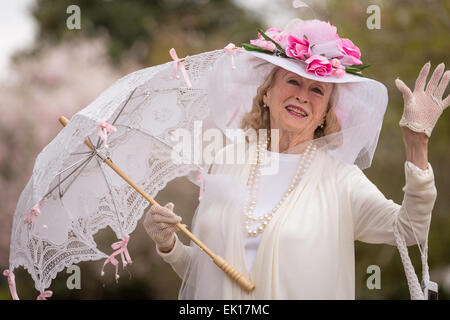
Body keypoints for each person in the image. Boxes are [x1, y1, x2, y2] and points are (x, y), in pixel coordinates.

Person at [143, 19, 448, 299]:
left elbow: (410, 229)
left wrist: (416, 145)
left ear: (325, 113)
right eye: (292, 82)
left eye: (317, 89)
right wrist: (169, 245)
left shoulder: (341, 179)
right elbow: (209, 272)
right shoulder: (227, 159)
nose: (303, 95)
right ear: (266, 93)